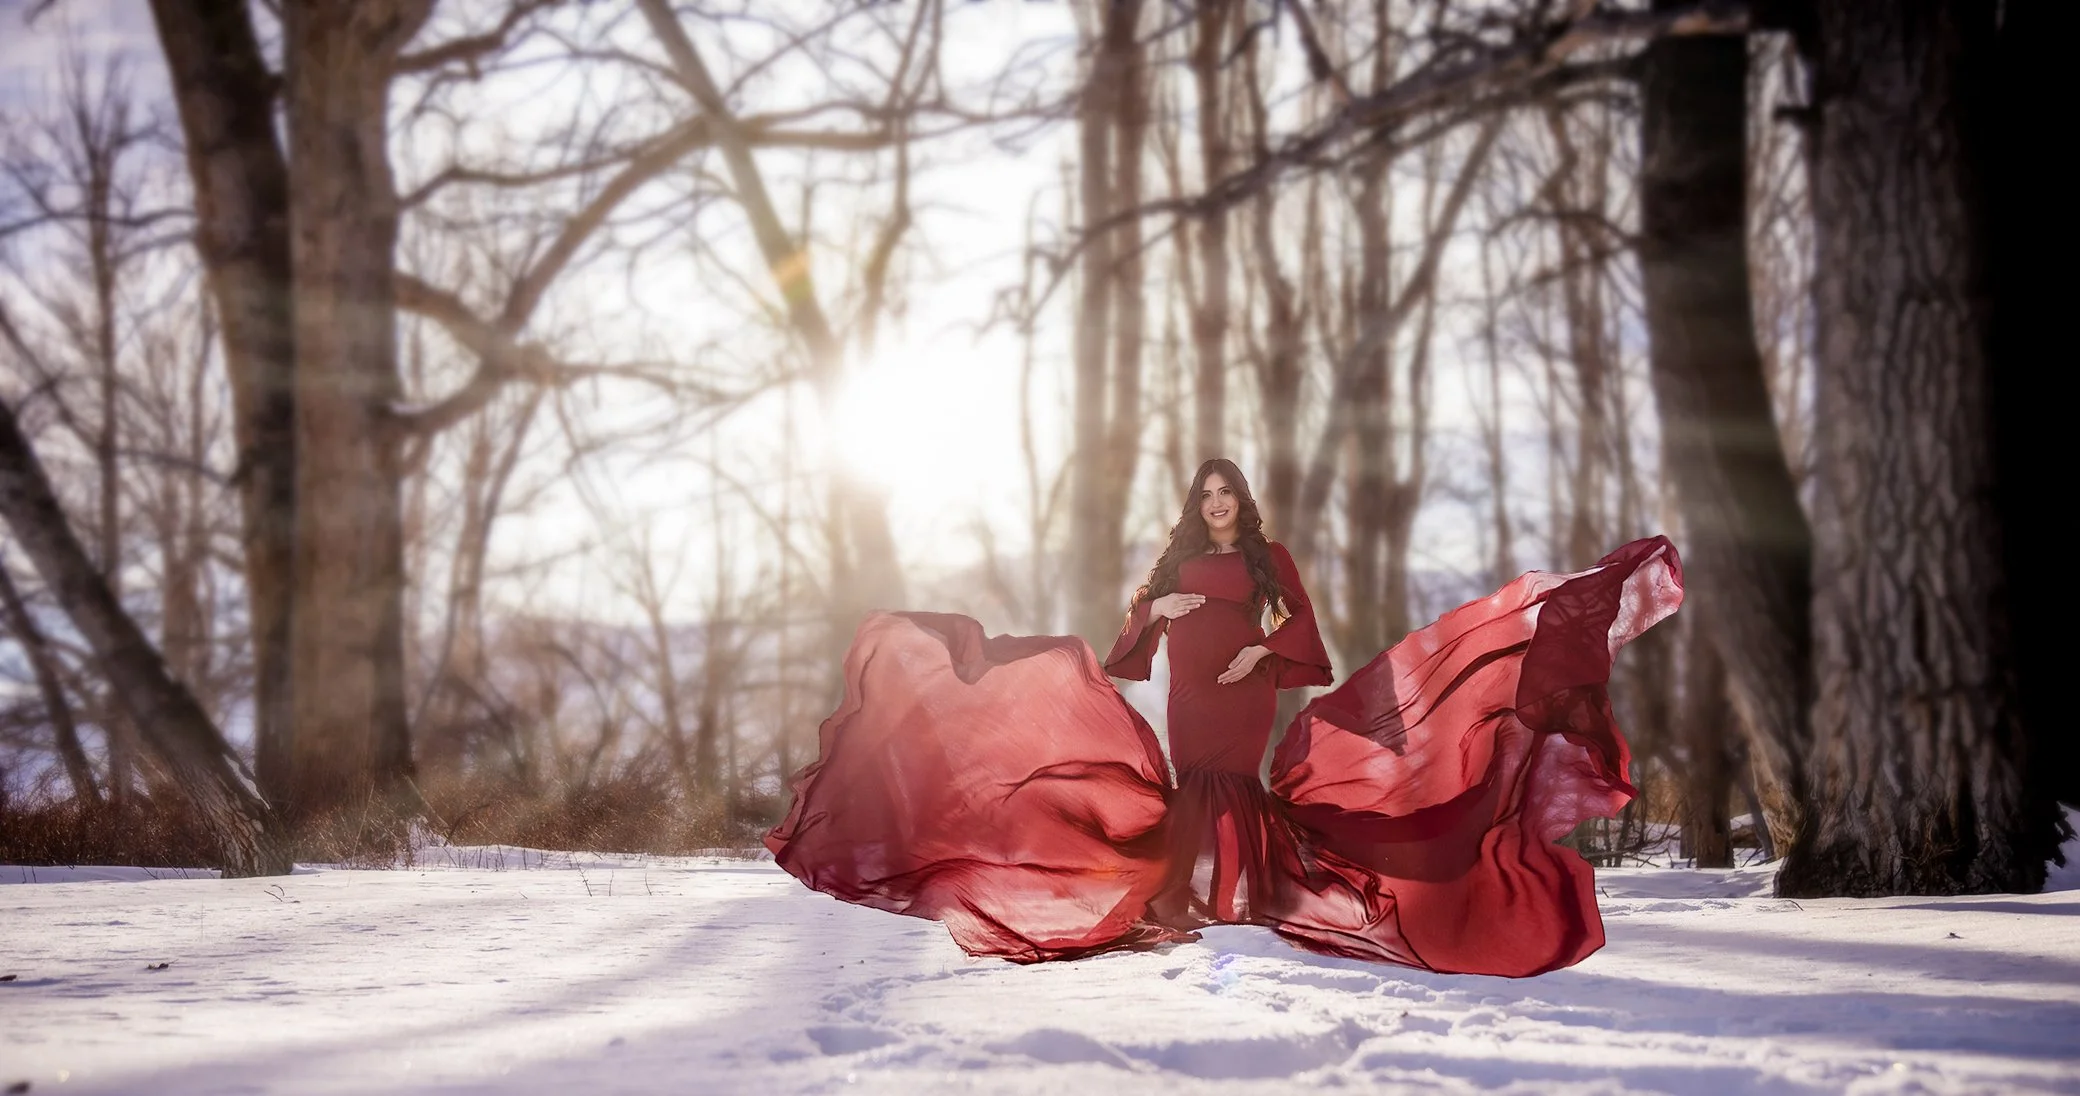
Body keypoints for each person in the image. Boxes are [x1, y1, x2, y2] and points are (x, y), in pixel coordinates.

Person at [767, 459, 1683, 977]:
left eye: (1227, 496)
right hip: (1190, 688)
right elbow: (1127, 651)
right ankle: (1186, 895)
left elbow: (1311, 648)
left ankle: (1245, 895)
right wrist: (1152, 616)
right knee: (1188, 781)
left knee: (1233, 783)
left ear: (1243, 503)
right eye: (1206, 498)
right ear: (1194, 507)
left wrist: (1263, 656)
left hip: (1242, 687)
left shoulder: (1269, 558)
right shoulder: (1171, 568)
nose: (1217, 507)